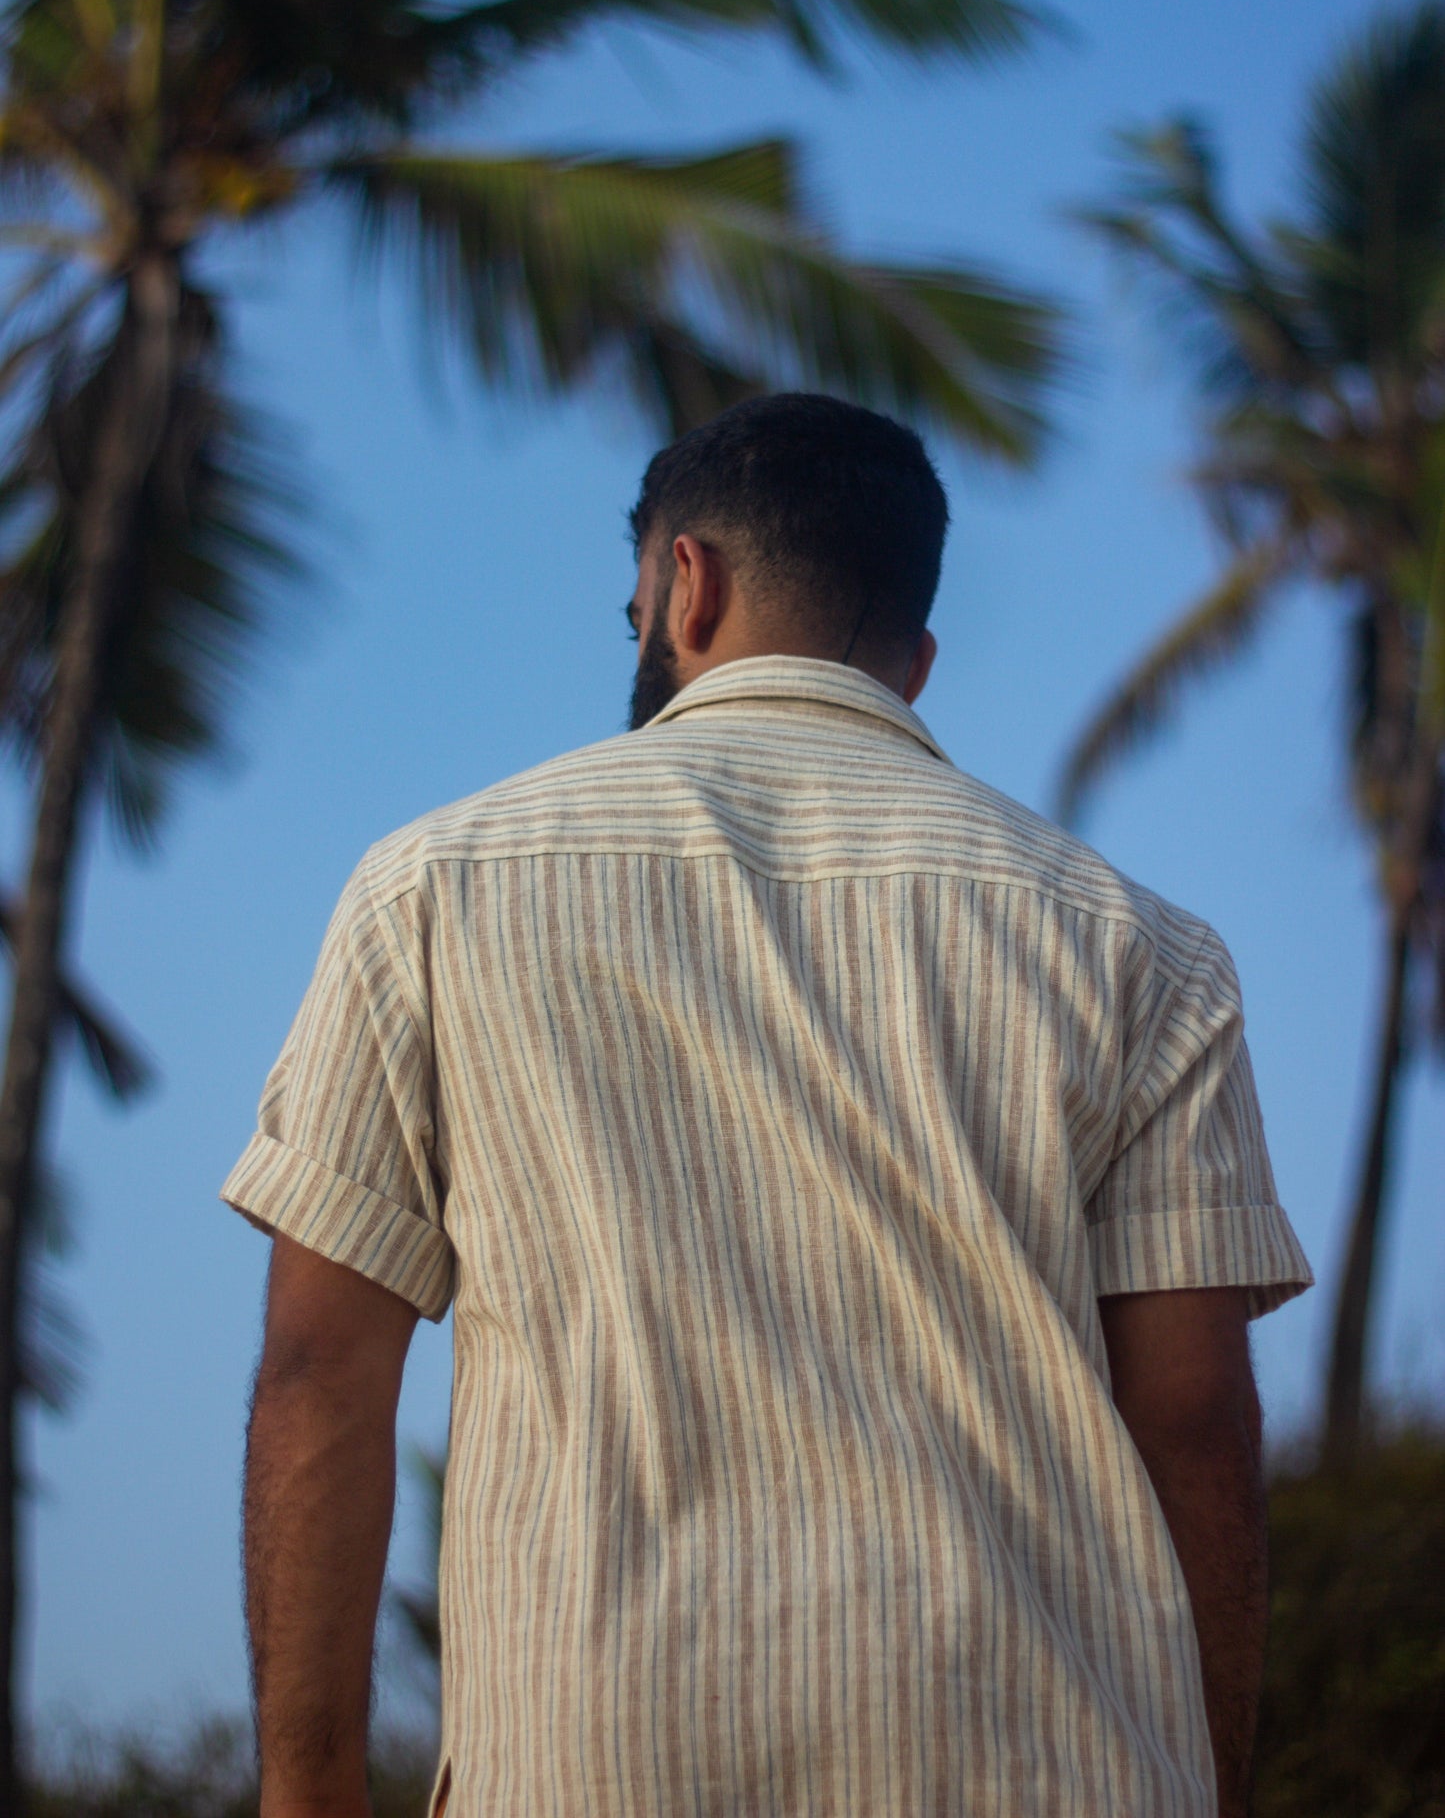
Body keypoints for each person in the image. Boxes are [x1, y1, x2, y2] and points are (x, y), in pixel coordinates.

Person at [223, 393, 1313, 1818]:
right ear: (913, 661)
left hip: (593, 1765)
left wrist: (306, 1796)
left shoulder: (432, 889)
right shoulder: (1140, 948)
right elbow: (1193, 1424)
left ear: (686, 585)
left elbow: (322, 1376)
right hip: (1054, 1767)